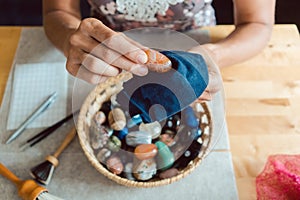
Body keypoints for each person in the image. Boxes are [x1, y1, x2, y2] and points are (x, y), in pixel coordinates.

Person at [42, 0, 275, 99]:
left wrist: (212, 56)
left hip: (197, 38)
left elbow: (257, 23)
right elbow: (56, 11)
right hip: (107, 52)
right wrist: (71, 39)